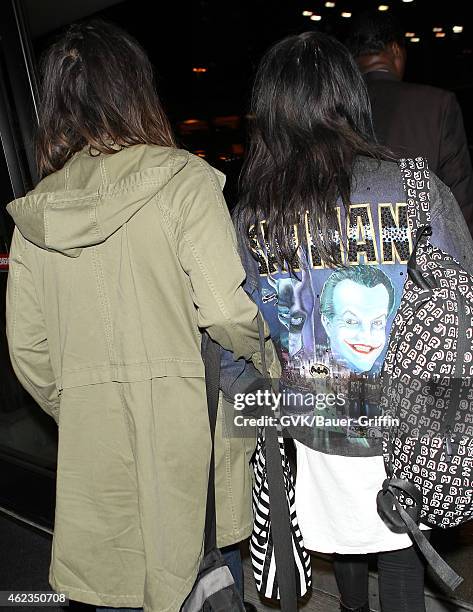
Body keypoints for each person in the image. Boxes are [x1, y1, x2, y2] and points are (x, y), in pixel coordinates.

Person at [5, 19, 274, 612]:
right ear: (135, 91)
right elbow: (227, 311)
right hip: (188, 438)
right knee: (204, 578)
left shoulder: (35, 217)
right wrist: (266, 363)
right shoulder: (182, 183)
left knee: (115, 584)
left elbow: (29, 355)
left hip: (94, 444)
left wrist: (84, 399)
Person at [223, 31, 473, 612]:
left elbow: (231, 326)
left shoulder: (253, 212)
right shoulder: (415, 187)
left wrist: (257, 395)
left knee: (346, 546)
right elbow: (461, 296)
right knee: (402, 549)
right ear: (350, 97)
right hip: (408, 419)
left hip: (315, 426)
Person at [346, 11, 473, 233]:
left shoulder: (333, 108)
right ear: (396, 49)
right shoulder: (438, 105)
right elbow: (460, 203)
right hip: (421, 257)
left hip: (350, 259)